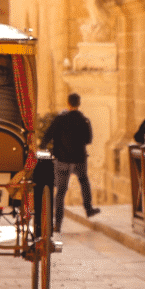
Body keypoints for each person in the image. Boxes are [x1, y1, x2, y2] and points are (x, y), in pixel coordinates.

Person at [41, 93, 100, 232]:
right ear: (79, 104)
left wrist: (43, 146)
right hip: (79, 158)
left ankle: (58, 224)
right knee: (84, 181)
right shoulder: (84, 120)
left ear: (68, 103)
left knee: (60, 192)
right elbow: (88, 139)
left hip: (62, 159)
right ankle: (88, 208)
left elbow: (48, 134)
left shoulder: (60, 119)